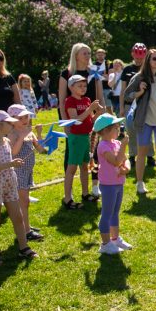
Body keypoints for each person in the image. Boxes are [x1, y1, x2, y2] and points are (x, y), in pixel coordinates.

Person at [0, 110, 37, 266]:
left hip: (9, 184)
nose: (12, 124)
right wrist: (11, 164)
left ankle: (23, 247)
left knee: (17, 217)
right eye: (9, 122)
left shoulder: (5, 141)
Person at [59, 43, 105, 197]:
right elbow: (61, 100)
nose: (88, 56)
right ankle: (69, 191)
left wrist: (102, 111)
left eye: (89, 53)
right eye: (84, 53)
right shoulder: (67, 74)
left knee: (93, 151)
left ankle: (94, 185)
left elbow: (100, 97)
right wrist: (66, 123)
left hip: (92, 119)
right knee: (71, 155)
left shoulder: (94, 73)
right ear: (76, 55)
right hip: (74, 120)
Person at [125, 49, 156, 194]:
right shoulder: (139, 78)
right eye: (155, 59)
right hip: (144, 120)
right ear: (148, 61)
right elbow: (127, 96)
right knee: (142, 152)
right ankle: (140, 183)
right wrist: (139, 92)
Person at [93, 114, 133, 255]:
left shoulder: (115, 143)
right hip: (108, 184)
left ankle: (115, 239)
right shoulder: (103, 146)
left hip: (118, 183)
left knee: (115, 212)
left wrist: (127, 168)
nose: (119, 129)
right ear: (105, 131)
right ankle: (105, 244)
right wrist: (124, 145)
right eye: (116, 127)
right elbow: (116, 161)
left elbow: (125, 159)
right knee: (107, 213)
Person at [63, 74, 102, 207]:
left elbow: (90, 119)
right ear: (71, 87)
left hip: (86, 136)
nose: (83, 88)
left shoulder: (86, 100)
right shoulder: (70, 101)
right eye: (79, 86)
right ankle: (67, 198)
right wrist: (90, 109)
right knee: (71, 168)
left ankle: (85, 193)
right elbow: (76, 120)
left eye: (84, 85)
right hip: (76, 137)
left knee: (85, 167)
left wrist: (97, 113)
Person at [8, 104, 46, 240]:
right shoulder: (12, 134)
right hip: (18, 171)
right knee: (23, 201)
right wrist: (21, 137)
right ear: (12, 120)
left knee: (25, 201)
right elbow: (13, 152)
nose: (25, 120)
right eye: (21, 117)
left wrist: (40, 133)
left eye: (26, 116)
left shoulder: (29, 132)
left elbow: (41, 149)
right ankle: (26, 231)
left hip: (28, 171)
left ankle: (25, 225)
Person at [119, 43, 154, 168]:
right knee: (131, 129)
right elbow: (123, 90)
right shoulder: (127, 70)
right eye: (137, 58)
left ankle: (150, 156)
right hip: (130, 104)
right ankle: (133, 155)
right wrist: (122, 107)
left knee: (146, 130)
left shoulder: (148, 69)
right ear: (132, 54)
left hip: (145, 104)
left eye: (141, 58)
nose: (139, 60)